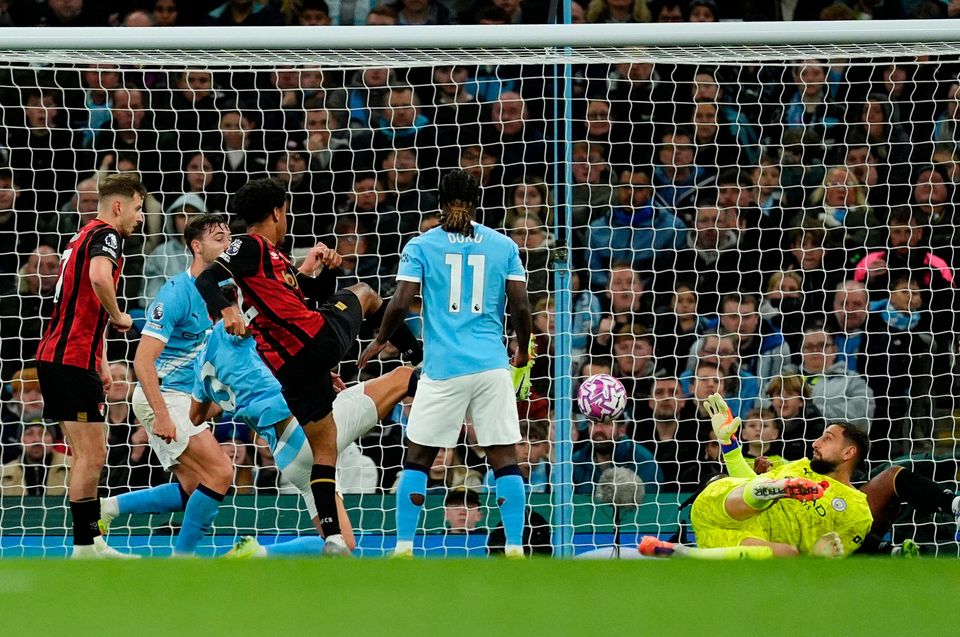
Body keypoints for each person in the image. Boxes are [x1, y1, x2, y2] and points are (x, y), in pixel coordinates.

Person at [195, 177, 421, 556]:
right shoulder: (250, 246)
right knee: (365, 293)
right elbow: (206, 278)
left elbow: (314, 294)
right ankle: (418, 357)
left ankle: (331, 537)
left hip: (291, 370)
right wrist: (228, 307)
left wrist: (328, 267)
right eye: (285, 213)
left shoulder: (274, 261)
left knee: (324, 446)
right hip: (314, 341)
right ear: (276, 213)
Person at [358, 169, 533, 559]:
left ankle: (404, 545)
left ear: (439, 202)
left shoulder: (421, 245)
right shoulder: (503, 245)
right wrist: (521, 350)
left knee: (418, 456)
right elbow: (521, 305)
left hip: (444, 368)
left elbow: (400, 302)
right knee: (504, 456)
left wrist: (381, 339)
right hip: (491, 366)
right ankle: (515, 547)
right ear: (477, 203)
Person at [101, 214, 234, 557]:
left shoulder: (227, 290)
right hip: (160, 394)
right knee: (220, 472)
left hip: (185, 397)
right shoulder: (175, 292)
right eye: (219, 238)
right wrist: (161, 416)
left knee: (195, 489)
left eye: (229, 237)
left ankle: (108, 508)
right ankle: (183, 560)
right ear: (196, 246)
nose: (227, 243)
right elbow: (142, 361)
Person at [34, 173, 145, 559]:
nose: (140, 216)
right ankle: (85, 546)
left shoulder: (79, 237)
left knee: (88, 453)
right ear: (118, 206)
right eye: (137, 207)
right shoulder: (107, 236)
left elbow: (83, 301)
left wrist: (100, 359)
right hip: (68, 359)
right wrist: (119, 315)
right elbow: (99, 279)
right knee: (92, 454)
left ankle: (90, 543)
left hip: (63, 356)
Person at [640, 394, 873, 559]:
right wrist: (729, 446)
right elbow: (748, 482)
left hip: (736, 543)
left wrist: (819, 557)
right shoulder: (802, 465)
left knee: (789, 554)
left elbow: (833, 563)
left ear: (849, 452)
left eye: (827, 438)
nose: (815, 443)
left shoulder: (857, 512)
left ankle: (686, 553)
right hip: (725, 507)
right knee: (759, 486)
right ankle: (776, 488)